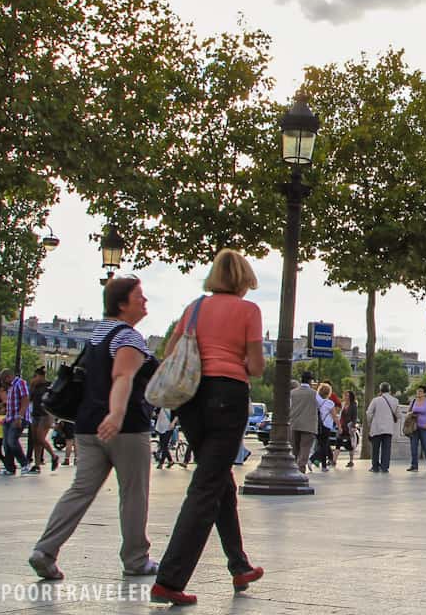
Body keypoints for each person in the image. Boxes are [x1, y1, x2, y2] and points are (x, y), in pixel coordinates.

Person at [151, 250, 266, 605]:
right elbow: (257, 366)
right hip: (227, 396)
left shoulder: (195, 308)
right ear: (243, 280)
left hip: (192, 399)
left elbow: (169, 352)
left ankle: (238, 564)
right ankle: (169, 579)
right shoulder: (249, 311)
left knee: (216, 479)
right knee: (205, 487)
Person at [29, 276, 160, 582]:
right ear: (123, 304)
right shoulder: (128, 338)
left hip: (86, 426)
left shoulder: (96, 336)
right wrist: (116, 414)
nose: (145, 302)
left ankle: (45, 550)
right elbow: (123, 376)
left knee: (79, 491)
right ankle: (135, 559)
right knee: (134, 493)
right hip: (124, 428)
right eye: (139, 297)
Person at [26, 367, 58, 473]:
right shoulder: (35, 386)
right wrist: (31, 386)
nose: (34, 378)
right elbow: (29, 398)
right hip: (35, 414)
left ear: (41, 376)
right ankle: (37, 464)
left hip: (45, 414)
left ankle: (54, 456)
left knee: (40, 438)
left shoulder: (49, 385)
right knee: (35, 440)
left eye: (36, 376)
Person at [0, 367, 31, 476]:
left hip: (17, 418)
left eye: (4, 380)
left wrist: (20, 416)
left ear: (8, 377)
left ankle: (24, 464)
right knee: (6, 444)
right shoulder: (11, 387)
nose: (4, 383)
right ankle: (10, 468)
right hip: (9, 417)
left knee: (12, 441)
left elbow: (25, 399)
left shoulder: (20, 383)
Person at [289, 371, 320, 474]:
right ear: (310, 381)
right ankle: (301, 468)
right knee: (305, 448)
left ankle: (294, 468)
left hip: (295, 424)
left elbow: (288, 407)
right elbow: (321, 406)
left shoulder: (293, 393)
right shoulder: (314, 394)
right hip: (309, 425)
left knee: (295, 448)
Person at [366, 382, 400, 474]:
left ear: (380, 390)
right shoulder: (395, 401)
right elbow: (398, 415)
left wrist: (370, 424)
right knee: (386, 449)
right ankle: (385, 467)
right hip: (388, 428)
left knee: (375, 448)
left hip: (376, 428)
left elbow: (369, 413)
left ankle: (375, 467)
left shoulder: (376, 400)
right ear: (389, 390)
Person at [407, 386, 426, 472]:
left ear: (425, 393)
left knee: (425, 446)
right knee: (413, 446)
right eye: (417, 391)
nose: (418, 393)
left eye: (420, 391)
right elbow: (408, 412)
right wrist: (411, 413)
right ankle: (414, 465)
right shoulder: (414, 401)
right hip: (414, 427)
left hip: (425, 428)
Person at [312, 383, 337, 471]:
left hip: (317, 425)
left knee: (323, 445)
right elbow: (334, 416)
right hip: (326, 426)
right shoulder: (330, 403)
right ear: (328, 393)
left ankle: (324, 466)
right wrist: (339, 427)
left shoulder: (316, 400)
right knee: (323, 446)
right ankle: (312, 459)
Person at [334, 390, 358, 468]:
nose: (345, 397)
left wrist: (353, 426)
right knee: (338, 443)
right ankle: (334, 461)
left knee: (350, 445)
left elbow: (354, 417)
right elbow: (340, 415)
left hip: (349, 427)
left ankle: (351, 461)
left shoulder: (354, 405)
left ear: (351, 397)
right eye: (345, 395)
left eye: (347, 395)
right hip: (342, 426)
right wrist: (339, 425)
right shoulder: (343, 404)